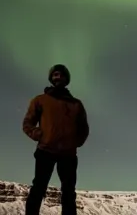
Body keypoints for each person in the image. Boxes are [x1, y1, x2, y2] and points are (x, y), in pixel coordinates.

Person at [22, 64, 90, 215]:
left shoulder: (76, 105)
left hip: (69, 155)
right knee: (39, 188)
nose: (57, 77)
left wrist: (76, 142)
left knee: (69, 192)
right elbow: (28, 123)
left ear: (66, 79)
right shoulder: (40, 100)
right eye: (55, 75)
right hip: (45, 150)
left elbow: (84, 128)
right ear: (51, 79)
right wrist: (38, 134)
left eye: (61, 75)